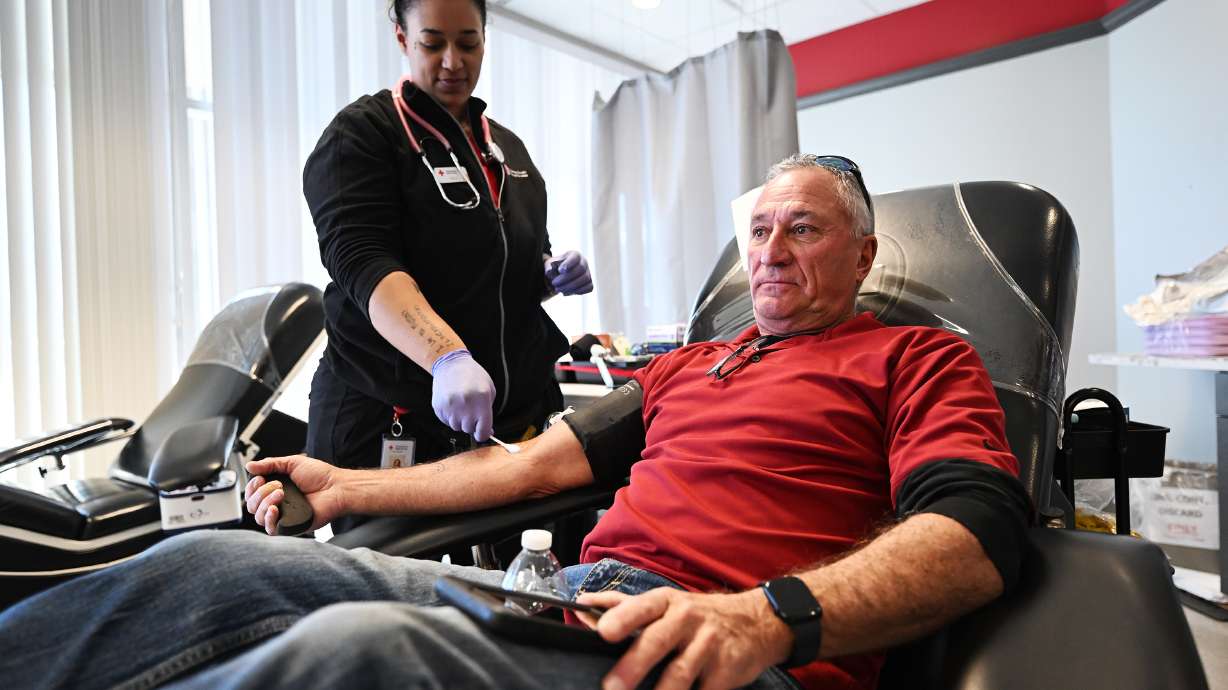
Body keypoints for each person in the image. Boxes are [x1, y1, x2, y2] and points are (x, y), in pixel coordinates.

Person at [0, 155, 1031, 690]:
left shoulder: (917, 357)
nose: (769, 251)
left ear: (864, 256)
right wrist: (348, 485)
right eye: (759, 229)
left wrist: (762, 616)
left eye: (802, 229)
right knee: (208, 569)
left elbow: (976, 535)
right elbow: (533, 467)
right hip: (563, 602)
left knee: (363, 654)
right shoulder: (688, 365)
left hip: (720, 655)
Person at [303, 0, 593, 525]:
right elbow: (365, 264)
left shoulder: (507, 149)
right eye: (432, 43)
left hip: (505, 417)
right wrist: (445, 357)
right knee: (395, 571)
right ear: (401, 37)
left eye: (468, 42)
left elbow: (512, 268)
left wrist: (552, 273)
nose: (453, 61)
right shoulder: (363, 136)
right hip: (391, 415)